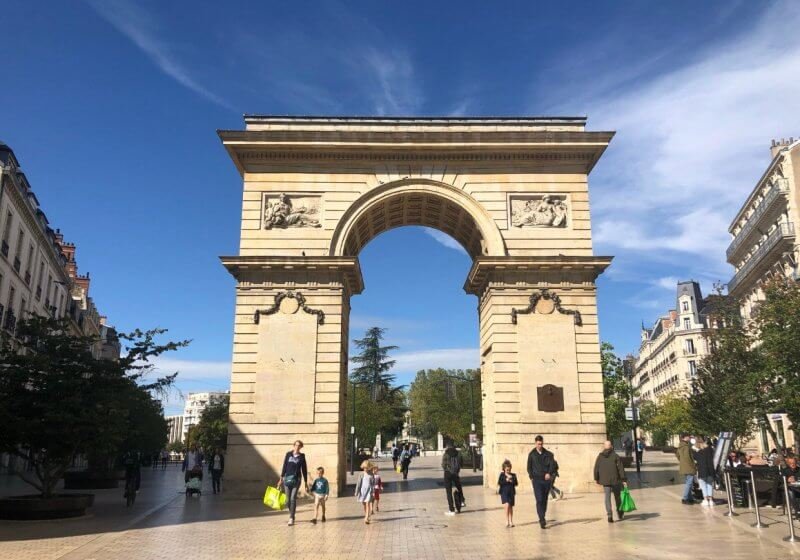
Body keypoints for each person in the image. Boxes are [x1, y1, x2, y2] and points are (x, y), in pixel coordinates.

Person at [527, 435, 557, 529]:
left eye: (541, 444)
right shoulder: (532, 454)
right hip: (536, 480)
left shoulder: (548, 454)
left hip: (546, 480)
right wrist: (531, 477)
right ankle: (541, 519)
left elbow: (553, 465)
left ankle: (542, 515)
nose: (540, 445)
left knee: (544, 500)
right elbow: (529, 467)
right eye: (538, 444)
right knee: (539, 499)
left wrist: (549, 473)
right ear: (535, 443)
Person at [594, 440, 627, 523]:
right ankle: (620, 513)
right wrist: (623, 479)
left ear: (604, 447)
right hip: (615, 479)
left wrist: (596, 478)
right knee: (617, 497)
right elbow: (620, 468)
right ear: (611, 446)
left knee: (607, 497)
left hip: (605, 480)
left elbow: (596, 468)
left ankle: (609, 515)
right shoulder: (615, 456)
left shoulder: (600, 457)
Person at [278, 440, 309, 526]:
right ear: (293, 445)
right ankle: (292, 513)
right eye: (296, 445)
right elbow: (284, 466)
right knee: (287, 500)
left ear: (301, 447)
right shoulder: (288, 454)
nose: (297, 447)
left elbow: (304, 470)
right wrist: (281, 478)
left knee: (292, 498)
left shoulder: (302, 457)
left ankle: (291, 517)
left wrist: (306, 482)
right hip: (287, 479)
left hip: (297, 479)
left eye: (299, 446)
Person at [442, 442, 464, 515]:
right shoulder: (458, 453)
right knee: (459, 486)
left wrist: (446, 469)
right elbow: (461, 463)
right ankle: (462, 501)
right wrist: (457, 470)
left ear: (448, 447)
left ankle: (451, 510)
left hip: (448, 473)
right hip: (456, 473)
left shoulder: (446, 454)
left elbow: (443, 464)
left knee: (449, 492)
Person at [693, 438, 715, 507]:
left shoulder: (697, 452)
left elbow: (695, 459)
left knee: (703, 486)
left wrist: (695, 449)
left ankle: (705, 500)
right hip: (710, 470)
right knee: (709, 485)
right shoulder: (710, 449)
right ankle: (711, 500)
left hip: (702, 471)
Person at [676, 434, 697, 505]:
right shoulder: (686, 447)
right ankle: (685, 498)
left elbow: (677, 455)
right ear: (685, 437)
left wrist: (682, 461)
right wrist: (693, 465)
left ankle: (690, 498)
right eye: (689, 437)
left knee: (689, 482)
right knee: (689, 483)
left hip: (684, 466)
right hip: (689, 467)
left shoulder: (680, 446)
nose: (690, 438)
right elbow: (688, 458)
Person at [498, 459, 519, 528]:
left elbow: (516, 483)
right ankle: (507, 520)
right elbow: (499, 483)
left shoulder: (513, 475)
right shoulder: (502, 475)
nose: (508, 471)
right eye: (507, 470)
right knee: (506, 505)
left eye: (509, 469)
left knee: (510, 507)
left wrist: (511, 480)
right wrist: (506, 480)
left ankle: (511, 521)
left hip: (511, 492)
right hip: (504, 492)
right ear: (504, 469)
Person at [354, 460, 375, 524]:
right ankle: (367, 514)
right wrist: (356, 491)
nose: (365, 469)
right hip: (362, 491)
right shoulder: (361, 474)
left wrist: (373, 491)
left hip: (369, 491)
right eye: (364, 468)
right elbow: (358, 483)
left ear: (369, 467)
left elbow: (373, 484)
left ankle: (366, 517)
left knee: (367, 503)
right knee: (364, 504)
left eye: (366, 468)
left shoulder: (371, 475)